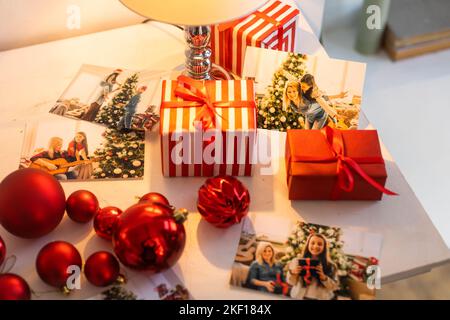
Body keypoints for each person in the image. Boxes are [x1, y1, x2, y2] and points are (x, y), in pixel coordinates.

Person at [287, 233, 339, 300]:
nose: (315, 246)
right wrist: (293, 273)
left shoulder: (331, 266)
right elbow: (291, 282)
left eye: (320, 244)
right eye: (312, 243)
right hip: (299, 296)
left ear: (324, 247)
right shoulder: (297, 261)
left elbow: (334, 287)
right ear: (308, 244)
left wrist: (324, 278)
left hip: (320, 297)